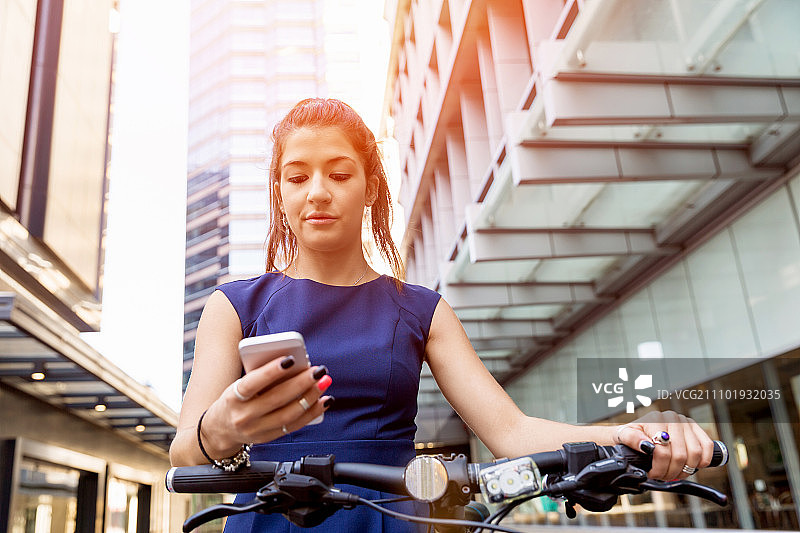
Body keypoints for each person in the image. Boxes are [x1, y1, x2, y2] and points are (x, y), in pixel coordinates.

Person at [169, 98, 715, 532]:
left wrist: (623, 436)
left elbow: (511, 431)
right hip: (266, 521)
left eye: (338, 174)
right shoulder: (234, 305)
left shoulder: (421, 310)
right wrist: (219, 431)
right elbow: (184, 453)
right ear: (280, 193)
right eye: (297, 177)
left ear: (370, 188)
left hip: (392, 520)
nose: (318, 193)